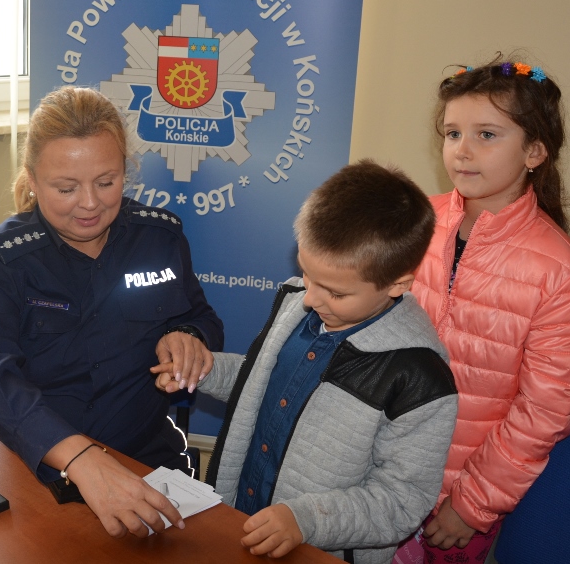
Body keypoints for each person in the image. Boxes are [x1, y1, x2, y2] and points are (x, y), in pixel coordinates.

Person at [156, 161, 458, 563]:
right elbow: (258, 380)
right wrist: (203, 370)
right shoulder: (299, 305)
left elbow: (402, 500)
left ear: (398, 284)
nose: (311, 299)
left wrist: (307, 520)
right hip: (242, 522)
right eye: (307, 275)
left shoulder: (419, 375)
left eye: (335, 293)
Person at [0, 86, 224, 539]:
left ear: (126, 171)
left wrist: (188, 337)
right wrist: (79, 457)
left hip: (146, 458)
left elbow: (202, 318)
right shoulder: (1, 258)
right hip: (40, 461)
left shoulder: (159, 238)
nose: (90, 203)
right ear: (32, 180)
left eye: (106, 182)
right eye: (66, 188)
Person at [409, 59, 570, 562]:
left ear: (535, 151)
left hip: (456, 497)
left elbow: (546, 410)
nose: (462, 150)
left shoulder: (561, 270)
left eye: (486, 134)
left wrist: (473, 503)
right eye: (453, 133)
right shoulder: (413, 222)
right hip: (378, 473)